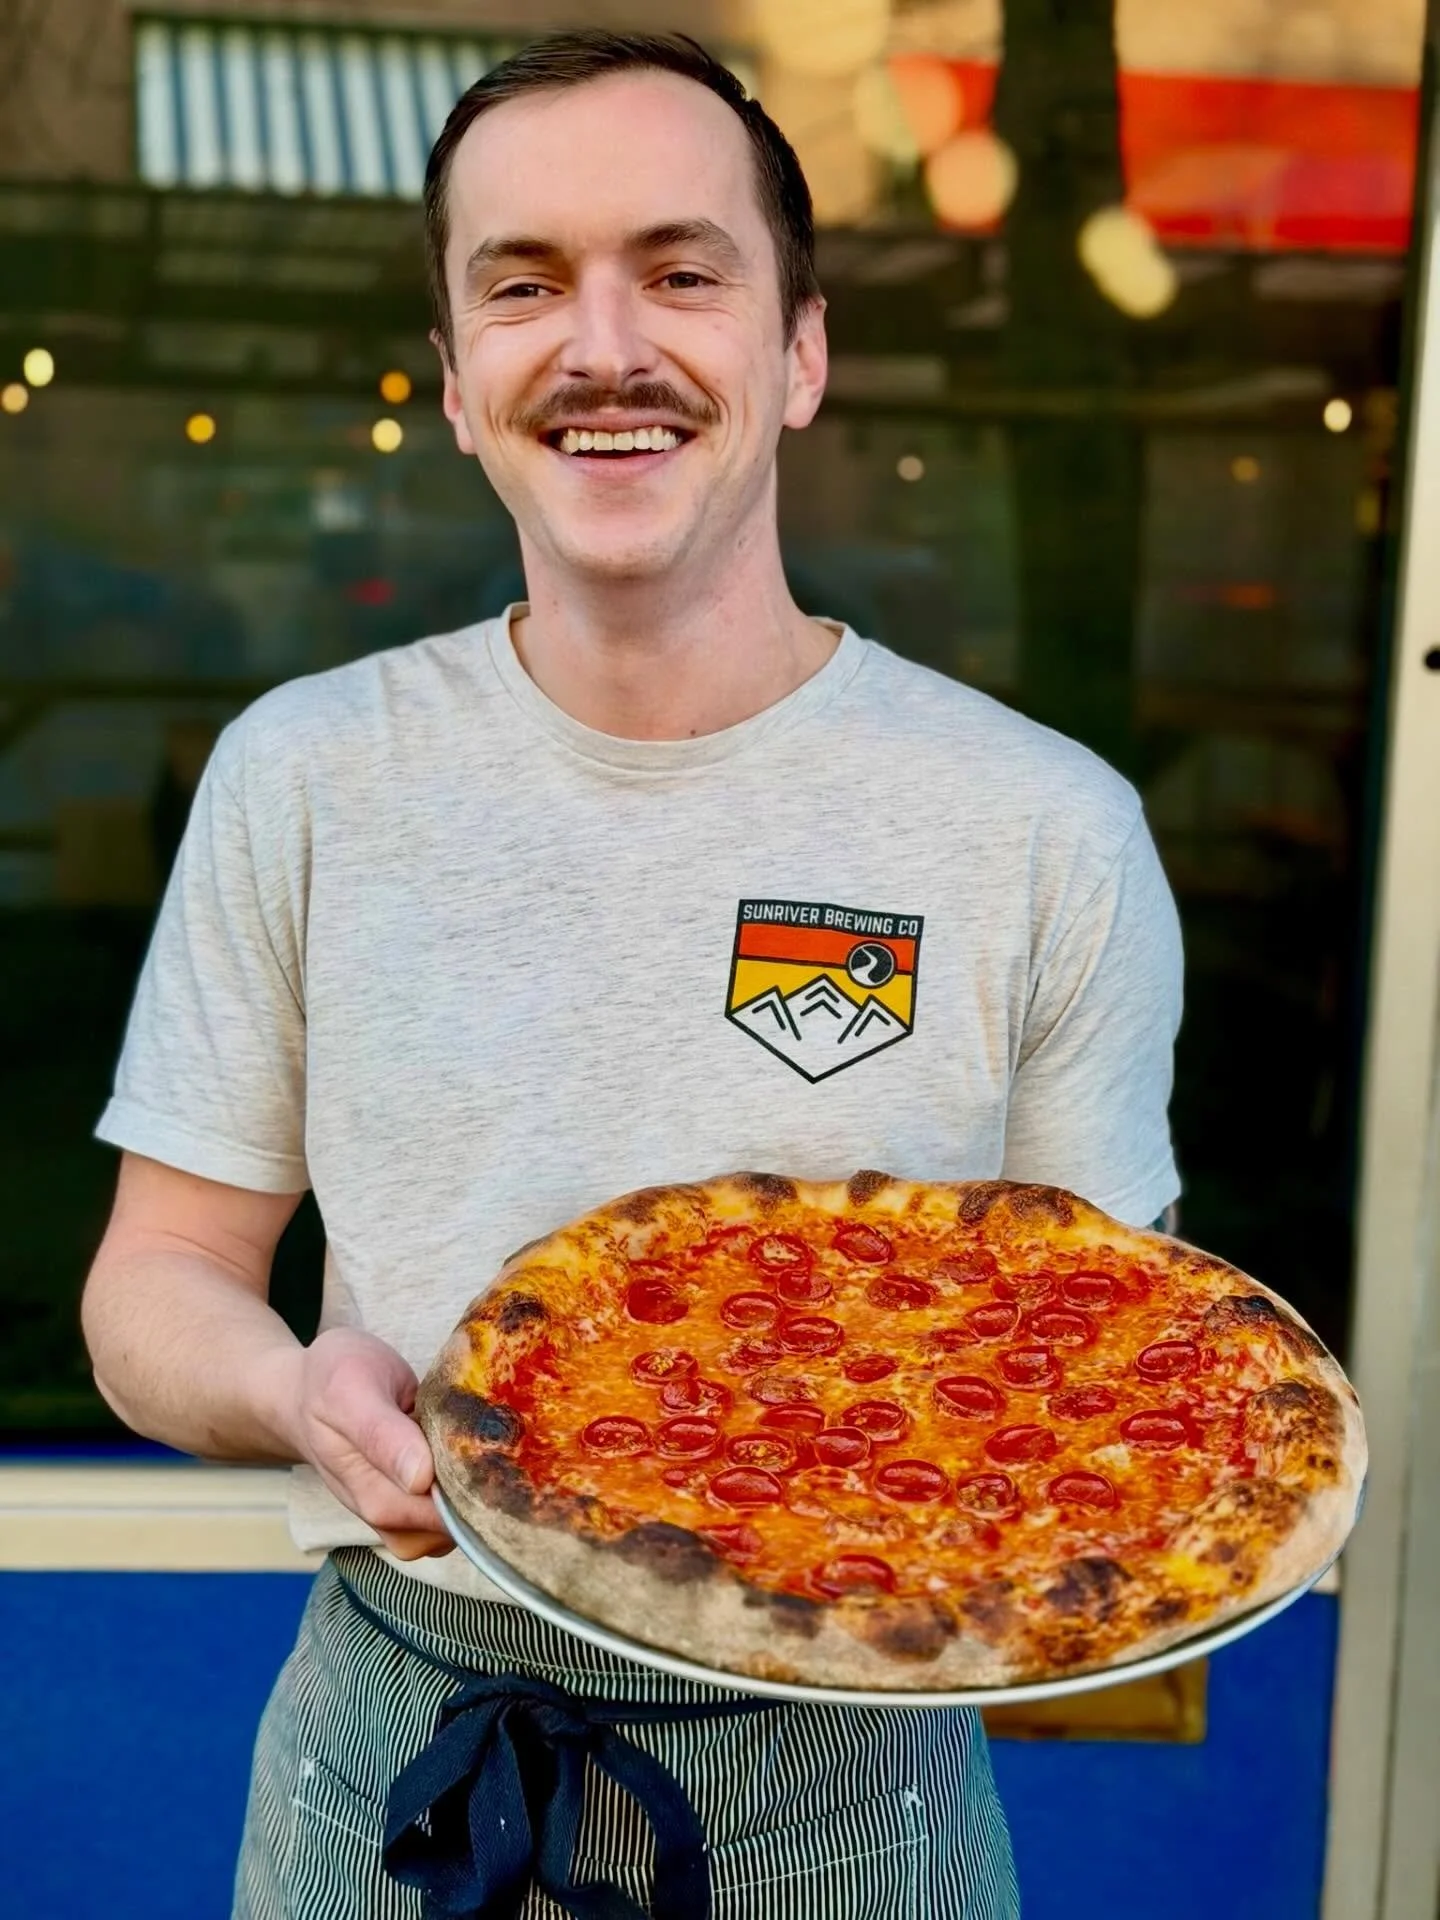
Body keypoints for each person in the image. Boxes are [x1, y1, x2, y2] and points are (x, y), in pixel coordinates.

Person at [81, 30, 1182, 1920]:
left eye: (682, 272)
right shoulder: (308, 775)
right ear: (454, 382)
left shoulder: (1040, 831)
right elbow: (157, 1279)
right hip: (394, 1760)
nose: (604, 347)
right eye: (524, 285)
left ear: (802, 352)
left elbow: (1097, 1378)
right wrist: (290, 1391)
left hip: (854, 1786)